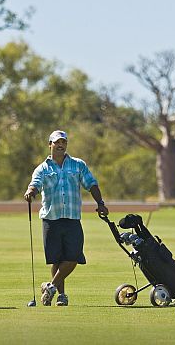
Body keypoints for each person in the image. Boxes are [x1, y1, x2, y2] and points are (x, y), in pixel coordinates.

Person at [24, 130, 108, 307]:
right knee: (56, 259)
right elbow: (35, 184)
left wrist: (100, 202)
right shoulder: (43, 168)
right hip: (51, 218)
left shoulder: (78, 165)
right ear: (50, 145)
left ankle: (50, 287)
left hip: (72, 218)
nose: (60, 145)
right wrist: (30, 192)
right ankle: (61, 296)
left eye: (63, 142)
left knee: (74, 257)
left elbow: (91, 183)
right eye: (57, 142)